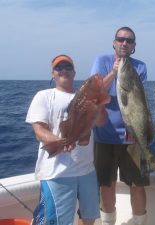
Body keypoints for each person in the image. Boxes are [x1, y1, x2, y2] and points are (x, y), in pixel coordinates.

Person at [26, 55, 100, 225]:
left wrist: (98, 107)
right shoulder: (44, 96)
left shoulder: (88, 100)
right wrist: (61, 141)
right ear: (53, 73)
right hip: (57, 173)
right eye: (59, 68)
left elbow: (99, 122)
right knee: (57, 222)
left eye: (68, 67)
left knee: (89, 218)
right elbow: (39, 131)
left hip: (87, 170)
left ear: (74, 73)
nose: (64, 71)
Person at [90, 27, 148, 225]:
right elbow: (95, 93)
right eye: (120, 39)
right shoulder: (101, 61)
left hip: (132, 136)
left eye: (129, 40)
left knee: (137, 185)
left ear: (133, 47)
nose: (124, 43)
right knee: (107, 185)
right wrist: (114, 72)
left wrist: (137, 131)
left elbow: (137, 102)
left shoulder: (140, 67)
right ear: (114, 42)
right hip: (104, 136)